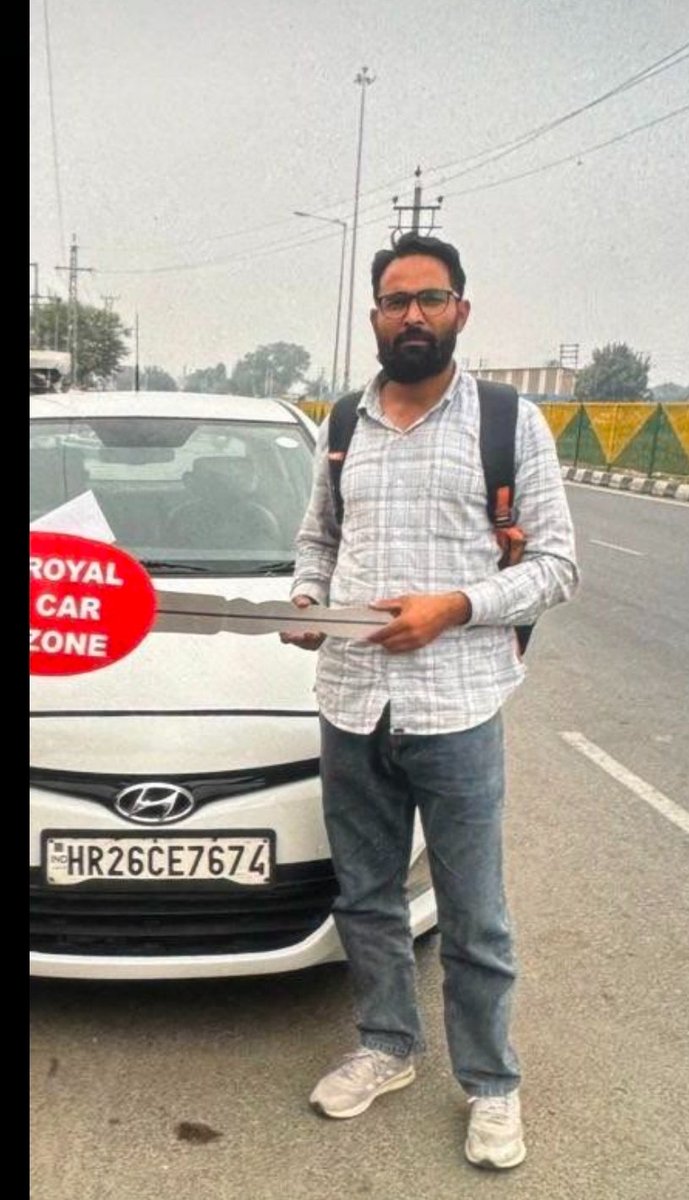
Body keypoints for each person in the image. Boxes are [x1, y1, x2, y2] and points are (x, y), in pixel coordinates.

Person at [281, 231, 579, 1171]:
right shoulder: (342, 425)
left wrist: (454, 607)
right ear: (373, 315)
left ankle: (491, 1085)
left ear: (460, 309)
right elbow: (315, 545)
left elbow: (557, 566)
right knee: (365, 897)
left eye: (431, 298)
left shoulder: (507, 421)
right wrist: (305, 603)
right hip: (351, 699)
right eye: (395, 300)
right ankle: (386, 1046)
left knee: (472, 913)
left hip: (455, 708)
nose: (413, 314)